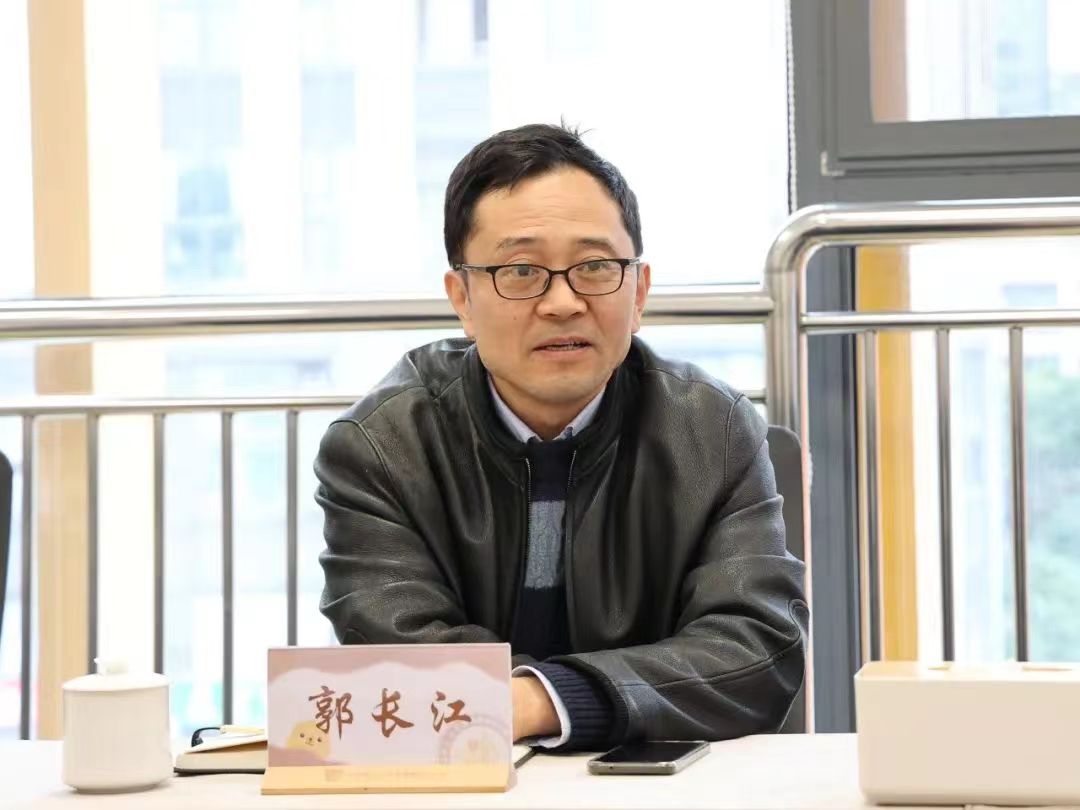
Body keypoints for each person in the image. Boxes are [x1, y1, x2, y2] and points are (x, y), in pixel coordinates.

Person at [315, 123, 808, 752]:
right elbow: (396, 658)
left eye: (595, 267)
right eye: (521, 271)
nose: (562, 302)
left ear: (639, 291)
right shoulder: (381, 447)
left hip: (660, 783)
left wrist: (543, 700)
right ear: (462, 298)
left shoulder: (713, 430)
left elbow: (758, 649)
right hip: (466, 789)